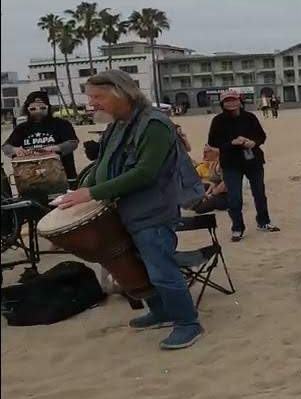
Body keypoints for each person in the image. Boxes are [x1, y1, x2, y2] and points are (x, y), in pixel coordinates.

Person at [55, 70, 203, 350]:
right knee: (137, 266)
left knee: (162, 270)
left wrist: (93, 192)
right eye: (90, 97)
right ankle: (160, 312)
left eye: (98, 97)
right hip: (122, 208)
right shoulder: (116, 124)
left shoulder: (155, 124)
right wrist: (81, 191)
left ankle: (188, 323)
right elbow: (103, 164)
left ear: (121, 93)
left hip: (152, 210)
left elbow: (146, 173)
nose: (92, 103)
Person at [208, 90, 279, 242]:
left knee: (259, 194)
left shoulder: (250, 117)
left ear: (240, 101)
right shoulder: (218, 121)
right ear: (222, 104)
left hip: (253, 160)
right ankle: (237, 228)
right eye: (227, 101)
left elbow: (262, 135)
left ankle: (263, 222)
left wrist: (253, 142)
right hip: (231, 163)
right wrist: (231, 143)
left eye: (234, 100)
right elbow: (213, 142)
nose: (231, 103)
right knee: (234, 198)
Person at [3, 91, 79, 183]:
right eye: (33, 109)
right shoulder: (22, 128)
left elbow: (73, 143)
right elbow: (6, 147)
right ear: (27, 109)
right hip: (31, 180)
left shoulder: (62, 124)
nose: (38, 111)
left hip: (65, 176)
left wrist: (55, 148)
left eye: (42, 108)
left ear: (48, 108)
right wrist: (15, 150)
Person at [192, 145, 229, 213]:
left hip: (226, 195)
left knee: (199, 209)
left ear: (214, 152)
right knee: (200, 188)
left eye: (206, 152)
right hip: (217, 191)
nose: (204, 154)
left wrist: (212, 195)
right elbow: (213, 182)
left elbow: (225, 184)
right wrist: (207, 193)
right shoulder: (214, 164)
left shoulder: (223, 163)